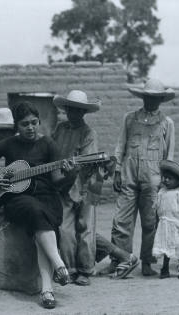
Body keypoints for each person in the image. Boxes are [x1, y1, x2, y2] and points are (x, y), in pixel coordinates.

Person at [0, 102, 72, 309]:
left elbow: (58, 182)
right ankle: (58, 267)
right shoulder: (9, 144)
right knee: (35, 212)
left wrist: (72, 172)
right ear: (16, 126)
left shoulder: (49, 144)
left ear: (39, 122)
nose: (31, 128)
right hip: (17, 199)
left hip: (46, 198)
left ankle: (47, 291)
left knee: (41, 217)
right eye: (25, 124)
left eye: (34, 123)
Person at [110, 79, 176, 276]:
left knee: (150, 222)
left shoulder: (167, 123)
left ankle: (147, 262)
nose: (151, 101)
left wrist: (166, 180)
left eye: (155, 98)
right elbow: (120, 145)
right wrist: (117, 171)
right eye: (148, 97)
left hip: (154, 178)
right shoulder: (130, 118)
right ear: (143, 97)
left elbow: (169, 155)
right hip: (128, 176)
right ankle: (119, 259)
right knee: (121, 220)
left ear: (161, 99)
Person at [52, 90, 103, 286]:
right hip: (63, 184)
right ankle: (69, 268)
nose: (75, 113)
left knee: (84, 228)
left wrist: (75, 168)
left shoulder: (89, 133)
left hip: (85, 184)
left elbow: (88, 161)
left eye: (79, 110)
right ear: (66, 109)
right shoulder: (60, 129)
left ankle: (85, 270)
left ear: (84, 112)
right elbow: (53, 151)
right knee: (64, 229)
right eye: (71, 109)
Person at [152, 160, 179, 279]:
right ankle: (165, 269)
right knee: (166, 247)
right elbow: (158, 209)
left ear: (178, 181)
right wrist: (157, 222)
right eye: (164, 178)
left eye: (169, 178)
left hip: (176, 225)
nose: (166, 180)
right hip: (164, 225)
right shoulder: (161, 193)